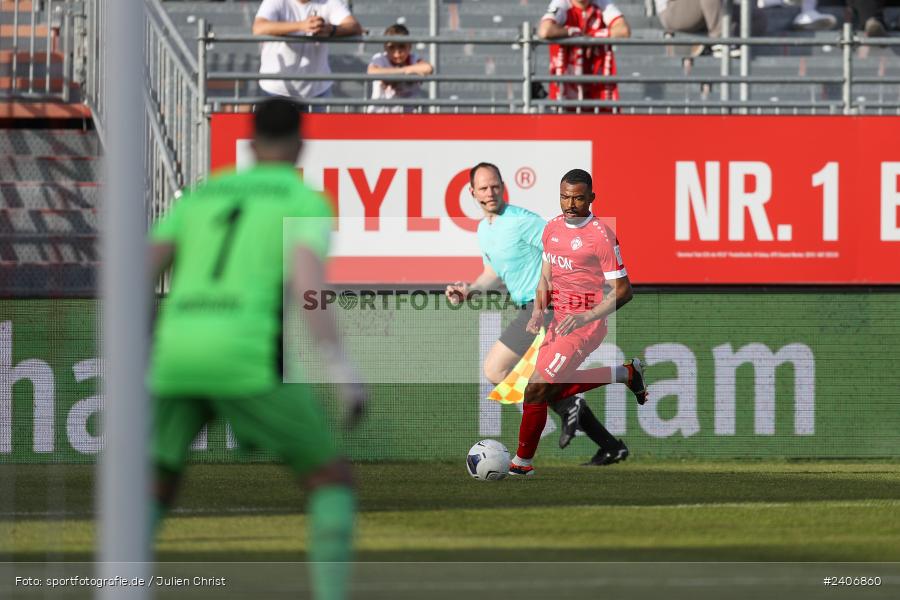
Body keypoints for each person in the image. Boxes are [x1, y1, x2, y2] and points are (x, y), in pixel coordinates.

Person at [148, 98, 366, 600]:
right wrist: (341, 368)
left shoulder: (203, 195)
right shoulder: (303, 199)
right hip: (244, 356)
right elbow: (308, 284)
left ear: (250, 142)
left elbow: (144, 265)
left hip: (176, 352)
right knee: (329, 477)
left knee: (154, 482)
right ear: (300, 144)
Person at [445, 163, 629, 464]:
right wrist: (470, 290)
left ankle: (570, 406)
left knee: (496, 370)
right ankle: (608, 443)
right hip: (529, 307)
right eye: (483, 188)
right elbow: (492, 272)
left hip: (543, 306)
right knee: (540, 382)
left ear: (503, 186)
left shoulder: (522, 221)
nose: (490, 193)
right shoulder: (484, 229)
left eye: (495, 186)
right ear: (472, 192)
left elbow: (563, 246)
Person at [509, 169, 647, 476]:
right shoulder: (552, 228)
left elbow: (624, 291)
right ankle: (625, 373)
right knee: (546, 393)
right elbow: (546, 276)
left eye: (578, 198)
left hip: (586, 325)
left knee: (536, 389)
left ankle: (521, 464)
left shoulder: (601, 236)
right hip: (557, 323)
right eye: (565, 197)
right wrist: (537, 311)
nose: (570, 204)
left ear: (592, 198)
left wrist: (584, 317)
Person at [253, 0, 363, 103]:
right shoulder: (276, 1)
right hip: (276, 91)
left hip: (317, 92)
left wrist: (330, 29)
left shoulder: (329, 2)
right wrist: (301, 25)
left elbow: (354, 26)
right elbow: (259, 28)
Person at [538, 0, 631, 111]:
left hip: (598, 92)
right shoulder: (561, 4)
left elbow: (624, 30)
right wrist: (572, 32)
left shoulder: (602, 3)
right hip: (566, 94)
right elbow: (545, 31)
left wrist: (591, 37)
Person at [367, 24, 434, 113]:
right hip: (379, 113)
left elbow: (428, 68)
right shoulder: (380, 58)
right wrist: (404, 72)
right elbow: (372, 71)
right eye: (391, 47)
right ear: (385, 47)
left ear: (409, 46)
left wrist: (392, 74)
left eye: (401, 46)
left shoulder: (413, 59)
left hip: (407, 115)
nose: (397, 53)